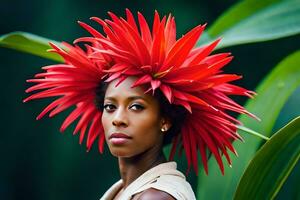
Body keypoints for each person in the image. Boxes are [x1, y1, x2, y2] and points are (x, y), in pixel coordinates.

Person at [24, 9, 255, 200]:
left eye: (136, 107)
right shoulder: (128, 191)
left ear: (165, 119)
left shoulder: (155, 197)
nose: (118, 118)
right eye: (109, 107)